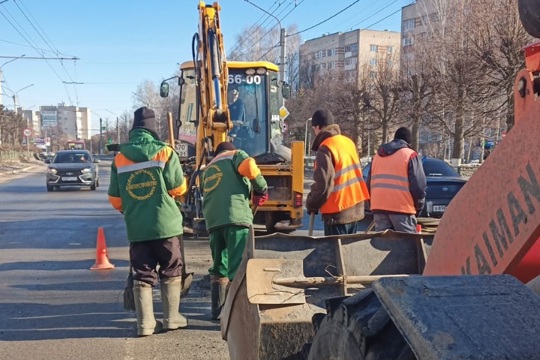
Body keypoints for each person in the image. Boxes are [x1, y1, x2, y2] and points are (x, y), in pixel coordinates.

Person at [108, 106, 188, 337]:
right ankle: (172, 318)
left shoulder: (120, 158)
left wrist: (133, 209)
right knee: (171, 269)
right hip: (166, 226)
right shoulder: (165, 152)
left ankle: (145, 324)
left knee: (142, 273)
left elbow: (115, 199)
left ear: (133, 128)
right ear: (153, 129)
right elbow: (178, 187)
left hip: (137, 228)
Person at [201, 141, 268, 320]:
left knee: (218, 265)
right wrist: (260, 187)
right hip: (235, 219)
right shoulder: (235, 156)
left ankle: (217, 310)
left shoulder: (208, 168)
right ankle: (234, 315)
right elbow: (250, 166)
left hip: (213, 222)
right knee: (237, 266)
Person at [306, 109, 370, 236]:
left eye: (314, 128)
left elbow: (323, 184)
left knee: (334, 254)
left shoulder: (325, 147)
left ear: (318, 127)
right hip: (355, 209)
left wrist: (312, 203)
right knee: (347, 253)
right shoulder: (348, 143)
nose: (314, 131)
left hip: (337, 212)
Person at [367, 127, 427, 233]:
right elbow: (418, 185)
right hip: (402, 209)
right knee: (407, 245)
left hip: (379, 208)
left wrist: (372, 203)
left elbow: (369, 182)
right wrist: (419, 206)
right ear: (409, 142)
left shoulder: (378, 155)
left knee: (382, 246)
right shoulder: (410, 155)